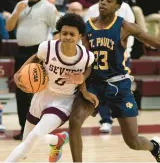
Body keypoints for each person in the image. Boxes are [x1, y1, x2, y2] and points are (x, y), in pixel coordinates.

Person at [67, 0, 160, 162]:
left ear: (118, 6)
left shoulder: (125, 26)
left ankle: (155, 147)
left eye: (109, 1)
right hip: (94, 83)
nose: (103, 3)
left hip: (118, 86)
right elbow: (84, 62)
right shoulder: (87, 27)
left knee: (133, 141)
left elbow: (159, 43)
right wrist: (84, 90)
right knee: (75, 122)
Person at [4, 13, 97, 163]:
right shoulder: (47, 47)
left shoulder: (86, 57)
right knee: (27, 140)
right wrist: (20, 72)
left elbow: (88, 69)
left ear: (79, 36)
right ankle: (56, 140)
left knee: (33, 137)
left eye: (72, 34)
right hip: (42, 94)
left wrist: (83, 83)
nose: (67, 37)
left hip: (63, 101)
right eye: (64, 33)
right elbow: (35, 58)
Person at [6, 0, 57, 140]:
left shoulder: (48, 7)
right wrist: (16, 13)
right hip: (20, 52)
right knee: (21, 90)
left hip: (38, 53)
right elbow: (9, 27)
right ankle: (24, 129)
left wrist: (51, 54)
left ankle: (39, 130)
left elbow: (57, 31)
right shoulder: (20, 5)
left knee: (37, 92)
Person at [84, 0, 135, 133]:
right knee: (101, 91)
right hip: (98, 59)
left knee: (118, 92)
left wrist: (127, 51)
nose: (104, 2)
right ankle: (105, 120)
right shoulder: (92, 10)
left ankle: (122, 118)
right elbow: (85, 34)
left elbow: (130, 31)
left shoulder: (125, 8)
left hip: (120, 56)